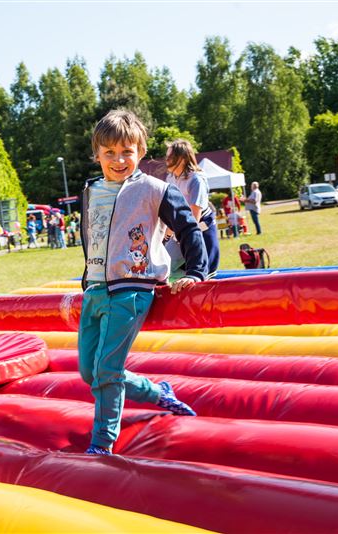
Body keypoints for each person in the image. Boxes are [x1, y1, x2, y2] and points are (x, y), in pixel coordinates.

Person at [79, 110, 207, 456]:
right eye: (110, 152)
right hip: (95, 289)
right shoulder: (90, 190)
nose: (119, 160)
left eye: (127, 152)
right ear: (97, 154)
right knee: (89, 371)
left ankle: (102, 443)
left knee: (107, 369)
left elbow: (188, 227)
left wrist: (195, 271)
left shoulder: (155, 189)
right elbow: (93, 235)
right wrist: (88, 276)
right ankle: (156, 392)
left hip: (132, 289)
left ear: (141, 152)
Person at [164, 138, 220, 277]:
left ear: (182, 158)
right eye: (167, 156)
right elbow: (172, 210)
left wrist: (178, 235)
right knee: (163, 266)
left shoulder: (196, 180)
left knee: (205, 273)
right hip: (181, 227)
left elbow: (194, 217)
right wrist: (166, 235)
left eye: (171, 156)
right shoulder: (170, 178)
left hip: (200, 229)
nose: (167, 160)